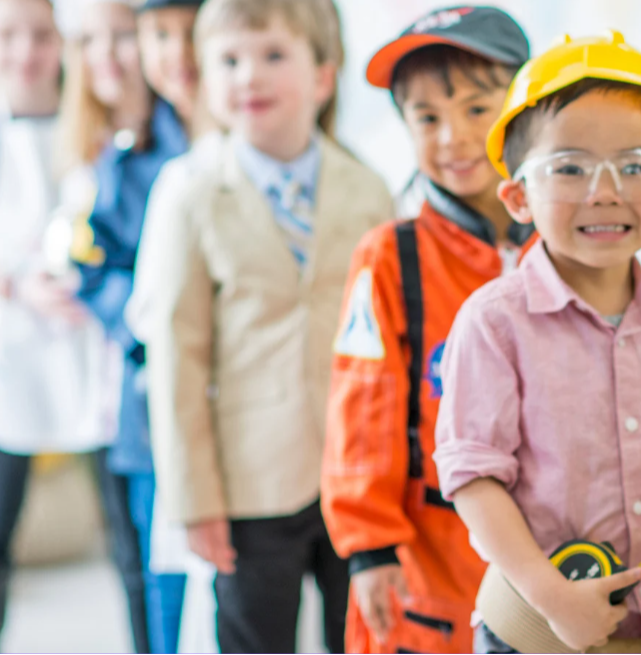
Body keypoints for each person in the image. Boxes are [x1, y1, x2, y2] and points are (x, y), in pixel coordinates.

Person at [433, 31, 641, 654]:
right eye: (570, 168)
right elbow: (473, 478)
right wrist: (551, 595)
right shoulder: (494, 322)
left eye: (635, 166)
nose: (605, 191)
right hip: (537, 630)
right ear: (517, 196)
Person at [137, 0, 393, 650]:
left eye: (273, 55)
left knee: (363, 635)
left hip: (356, 476)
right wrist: (194, 500)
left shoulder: (367, 189)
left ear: (323, 76)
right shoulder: (191, 194)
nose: (249, 76)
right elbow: (177, 358)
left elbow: (391, 341)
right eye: (228, 60)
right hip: (246, 484)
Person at [320, 6, 530, 654]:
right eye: (428, 118)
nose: (454, 138)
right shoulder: (390, 256)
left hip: (555, 555)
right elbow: (363, 408)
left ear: (523, 107)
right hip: (430, 564)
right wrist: (370, 548)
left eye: (477, 108)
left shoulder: (570, 244)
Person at [67, 0, 202, 651]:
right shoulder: (130, 158)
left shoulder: (241, 136)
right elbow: (92, 267)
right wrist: (155, 318)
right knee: (161, 586)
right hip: (151, 405)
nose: (177, 54)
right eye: (159, 37)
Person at [0, 0, 110, 638]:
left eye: (42, 35)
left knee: (128, 538)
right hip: (11, 358)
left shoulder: (94, 122)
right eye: (8, 35)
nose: (26, 53)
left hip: (91, 351)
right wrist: (16, 285)